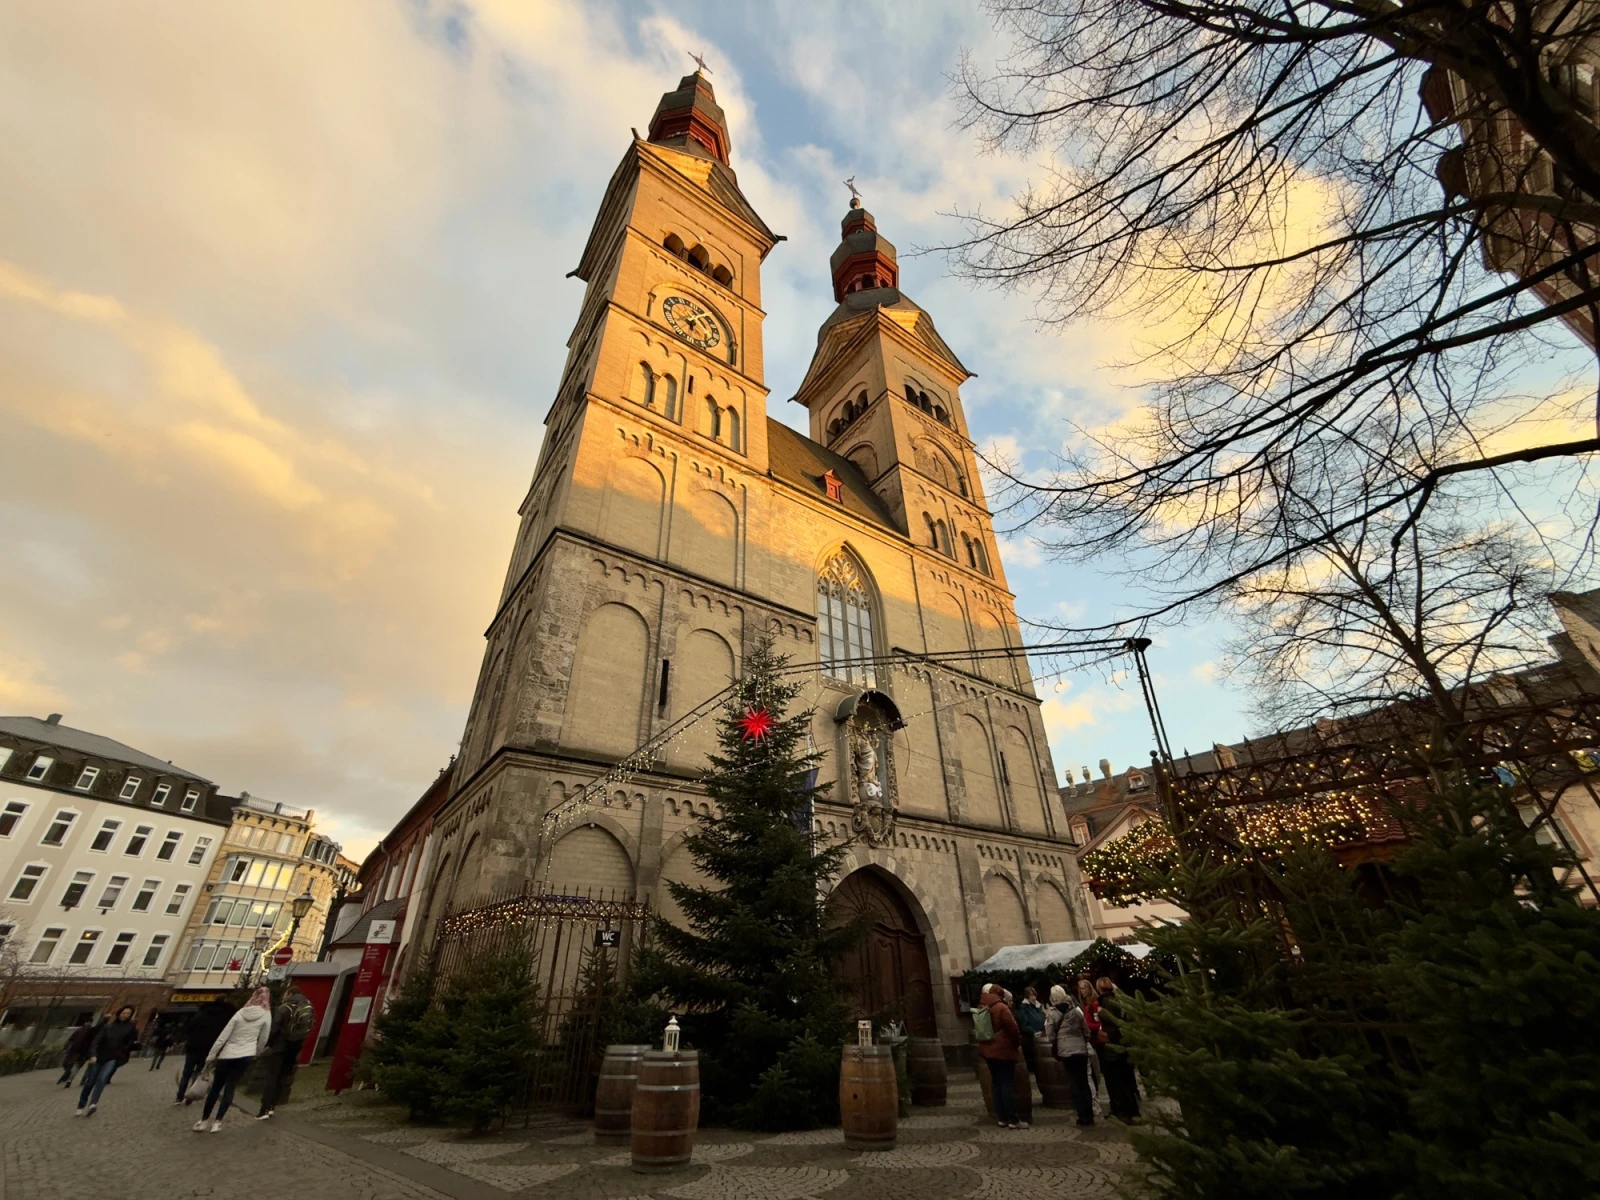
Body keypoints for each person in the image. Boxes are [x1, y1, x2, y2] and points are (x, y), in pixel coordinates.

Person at [195, 988, 270, 1132]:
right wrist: (256, 1052)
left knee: (216, 1088)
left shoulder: (241, 1012)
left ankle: (203, 1120)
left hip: (227, 1054)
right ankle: (218, 1122)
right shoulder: (266, 1014)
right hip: (246, 1055)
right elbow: (263, 1038)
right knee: (230, 1088)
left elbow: (223, 1036)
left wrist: (212, 1055)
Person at [256, 984, 315, 1119]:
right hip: (294, 1048)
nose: (283, 996)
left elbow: (275, 1028)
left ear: (290, 994)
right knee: (283, 1077)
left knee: (272, 1077)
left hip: (279, 1047)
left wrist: (269, 1044)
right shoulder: (306, 1006)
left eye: (285, 994)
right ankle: (272, 1107)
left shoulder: (284, 1008)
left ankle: (264, 1109)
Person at [976, 983, 1027, 1130]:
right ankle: (1013, 1119)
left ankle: (1002, 1118)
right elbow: (1013, 1028)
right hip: (1003, 1050)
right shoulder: (1001, 1008)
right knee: (1006, 1084)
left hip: (988, 1050)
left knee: (996, 1083)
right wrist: (1016, 1043)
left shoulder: (982, 1006)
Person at [1044, 984, 1095, 1125]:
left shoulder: (1052, 1013)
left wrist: (1058, 1042)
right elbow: (1086, 1031)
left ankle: (1081, 1115)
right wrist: (1082, 1041)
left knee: (1074, 1082)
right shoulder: (1076, 1011)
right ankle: (1089, 1115)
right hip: (1081, 1050)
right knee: (1084, 1082)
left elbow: (1050, 1035)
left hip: (1066, 1051)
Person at [75, 1005, 139, 1116]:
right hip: (99, 1056)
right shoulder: (108, 1027)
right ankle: (81, 1105)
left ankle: (93, 1103)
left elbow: (130, 1043)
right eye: (124, 1013)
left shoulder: (130, 1028)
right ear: (119, 1013)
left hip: (112, 1058)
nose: (125, 1015)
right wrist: (92, 1054)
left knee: (102, 1080)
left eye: (128, 1013)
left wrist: (122, 1053)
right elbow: (96, 1041)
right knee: (90, 1081)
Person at [1096, 976, 1141, 1121]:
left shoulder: (1105, 1002)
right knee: (1127, 1078)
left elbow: (1112, 1021)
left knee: (1118, 1081)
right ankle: (1132, 1111)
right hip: (1124, 1042)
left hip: (1113, 1044)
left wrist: (1100, 1014)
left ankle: (1125, 1112)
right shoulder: (1119, 1000)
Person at [177, 999, 234, 1106]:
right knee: (199, 1072)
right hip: (207, 1050)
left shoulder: (200, 1014)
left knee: (186, 1073)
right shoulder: (223, 1018)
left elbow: (190, 1028)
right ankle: (191, 1095)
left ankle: (179, 1096)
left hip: (193, 1047)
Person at [1077, 976, 1106, 1110]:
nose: (1082, 991)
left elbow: (1099, 1024)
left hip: (1098, 1040)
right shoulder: (1085, 1004)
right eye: (1080, 989)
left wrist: (1086, 1025)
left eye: (1084, 988)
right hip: (1092, 1040)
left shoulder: (1094, 1004)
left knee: (1096, 1071)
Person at [57, 1018, 99, 1087]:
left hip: (81, 1052)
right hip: (76, 1051)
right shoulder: (80, 1030)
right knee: (70, 1065)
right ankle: (68, 1077)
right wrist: (66, 1046)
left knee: (74, 1065)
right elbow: (71, 1039)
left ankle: (68, 1079)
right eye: (87, 1022)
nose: (87, 1024)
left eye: (88, 1022)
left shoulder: (89, 1031)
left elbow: (94, 1042)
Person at [1016, 985, 1046, 1078]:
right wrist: (1033, 1032)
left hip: (1040, 1036)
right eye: (1031, 995)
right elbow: (1024, 1024)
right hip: (1030, 1038)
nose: (1033, 997)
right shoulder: (1024, 1008)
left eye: (1034, 995)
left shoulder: (1037, 1006)